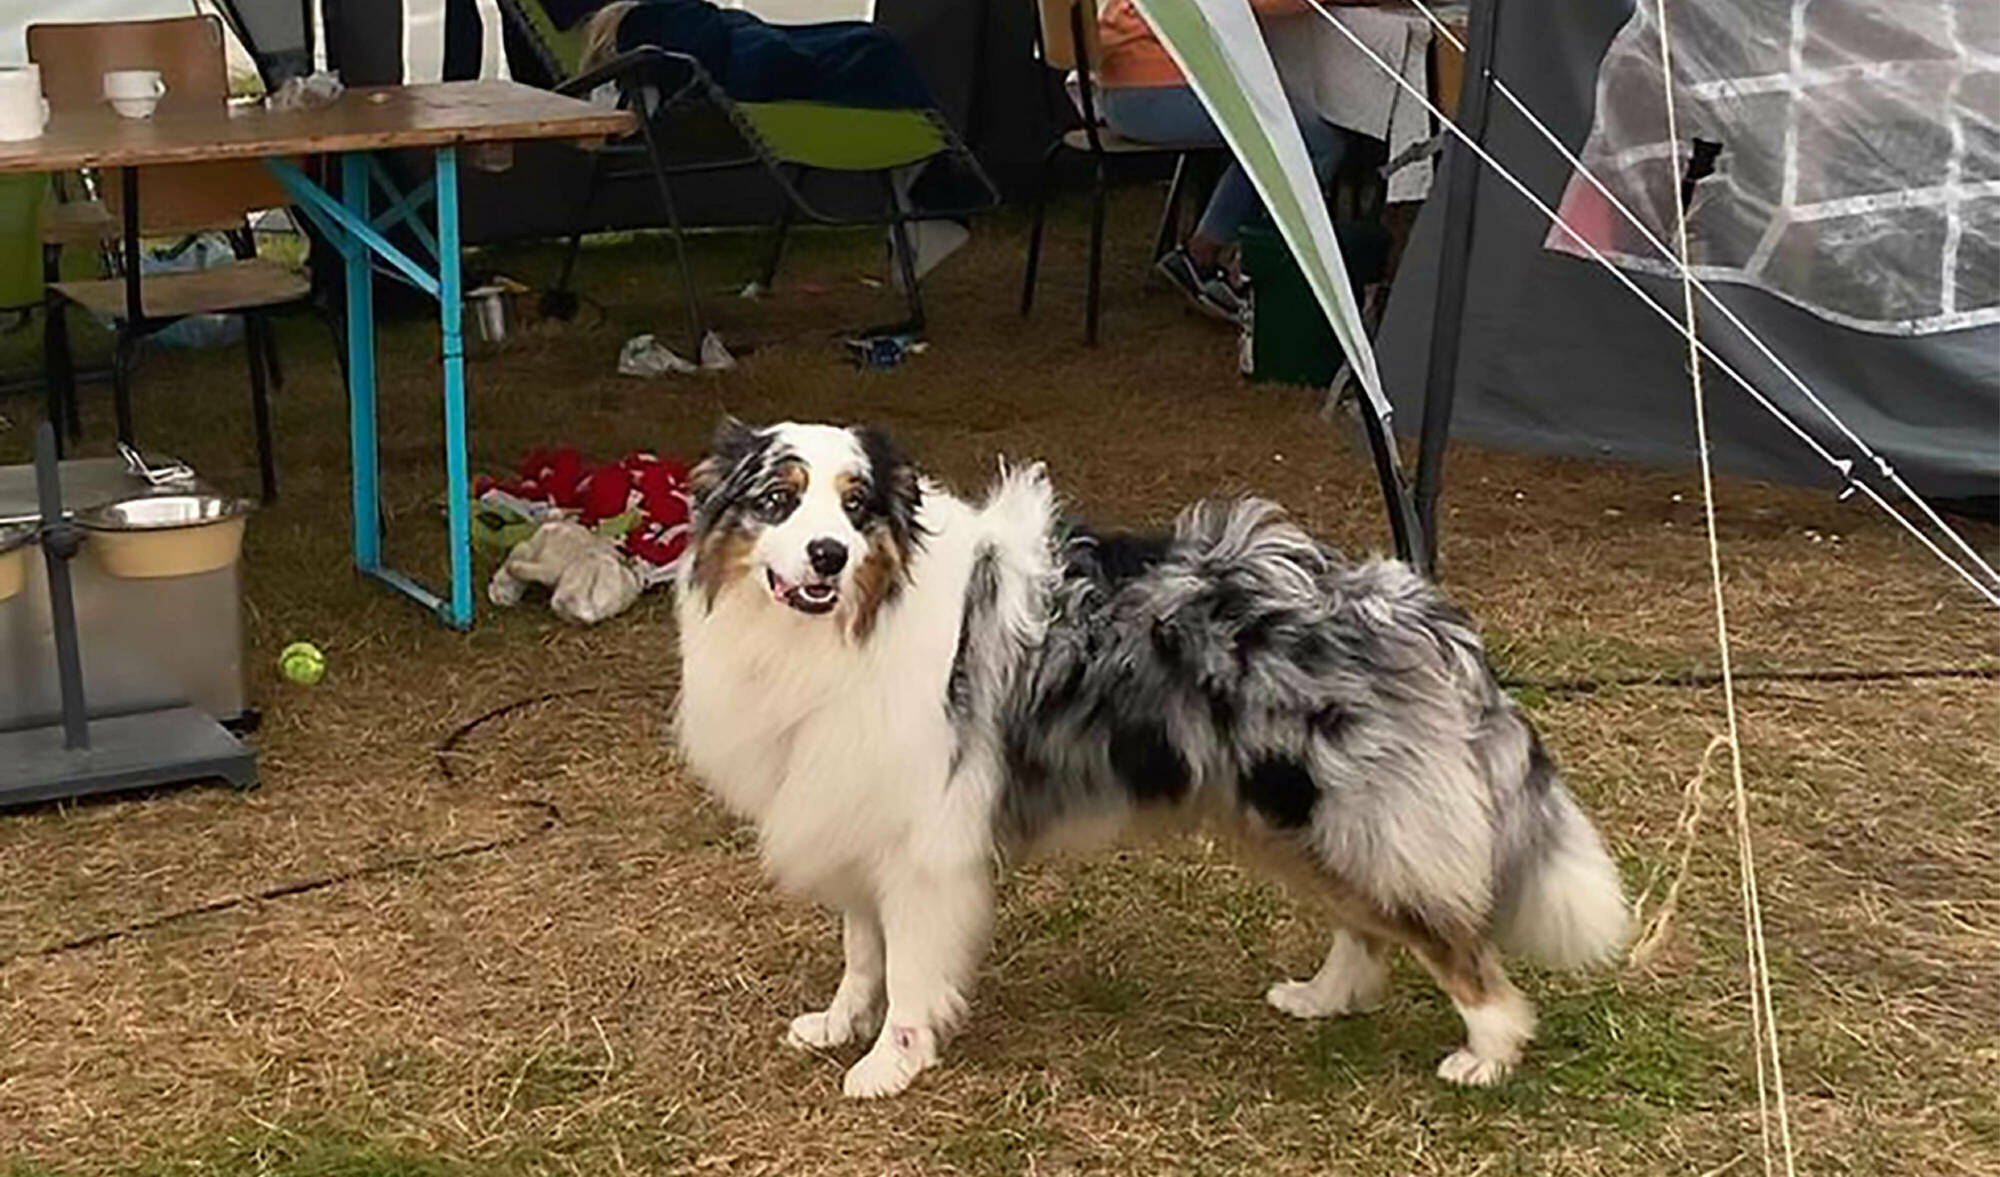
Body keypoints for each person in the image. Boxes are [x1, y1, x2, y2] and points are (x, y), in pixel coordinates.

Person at [1095, 0, 1349, 324]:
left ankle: (1207, 255)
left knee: (1275, 134)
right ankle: (1250, 268)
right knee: (1312, 142)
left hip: (1126, 88)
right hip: (1158, 90)